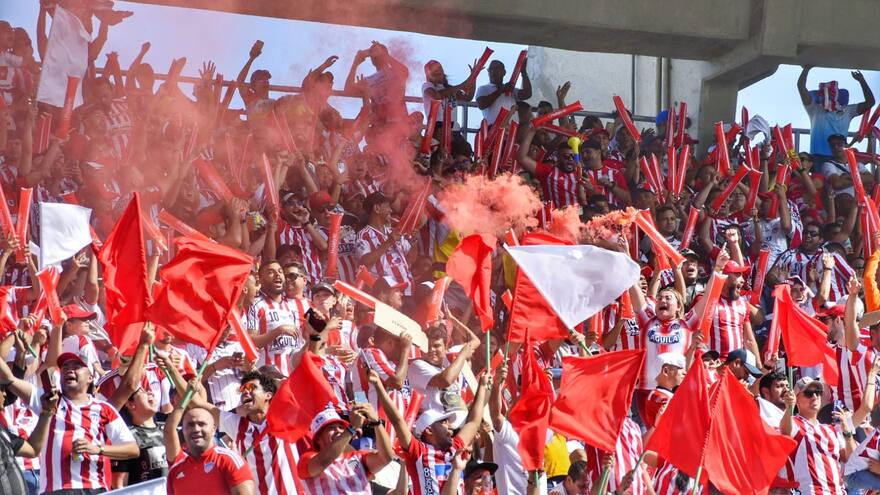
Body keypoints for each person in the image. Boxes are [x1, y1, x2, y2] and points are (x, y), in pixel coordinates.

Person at [373, 365, 490, 495]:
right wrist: (378, 386)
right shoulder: (418, 452)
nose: (450, 427)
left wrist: (483, 386)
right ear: (429, 430)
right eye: (444, 422)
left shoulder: (455, 449)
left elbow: (473, 422)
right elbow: (397, 421)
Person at [297, 405, 393, 494]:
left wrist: (376, 422)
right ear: (318, 439)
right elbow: (322, 462)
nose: (338, 431)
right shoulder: (307, 459)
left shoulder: (358, 456)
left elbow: (385, 458)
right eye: (331, 428)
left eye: (341, 427)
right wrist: (352, 428)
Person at [780, 377, 852, 495]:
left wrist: (847, 433)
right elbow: (785, 431)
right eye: (808, 393)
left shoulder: (830, 429)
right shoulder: (795, 423)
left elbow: (848, 458)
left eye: (817, 392)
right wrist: (789, 408)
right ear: (796, 399)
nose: (814, 396)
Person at [165, 405, 255, 495]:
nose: (196, 429)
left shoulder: (230, 461)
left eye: (201, 424)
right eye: (190, 425)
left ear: (213, 429)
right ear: (183, 430)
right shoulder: (175, 471)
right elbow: (168, 430)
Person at [798, 66, 874, 161]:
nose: (828, 96)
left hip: (840, 158)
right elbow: (801, 86)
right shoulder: (815, 109)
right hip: (817, 157)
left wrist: (861, 80)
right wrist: (806, 69)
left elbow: (870, 102)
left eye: (831, 93)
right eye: (825, 93)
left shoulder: (848, 110)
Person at [356, 192, 415, 295]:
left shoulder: (394, 232)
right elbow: (364, 262)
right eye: (387, 207)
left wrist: (414, 240)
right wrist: (388, 243)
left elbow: (412, 256)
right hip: (388, 296)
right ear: (377, 209)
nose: (391, 210)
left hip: (409, 291)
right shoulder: (364, 235)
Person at [475, 59, 532, 125]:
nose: (493, 72)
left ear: (504, 72)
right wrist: (501, 90)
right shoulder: (483, 88)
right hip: (493, 130)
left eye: (496, 69)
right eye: (490, 69)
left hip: (512, 130)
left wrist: (523, 72)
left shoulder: (510, 89)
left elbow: (527, 94)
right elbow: (482, 105)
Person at [643, 352, 686, 429]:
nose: (685, 372)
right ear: (665, 371)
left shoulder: (661, 394)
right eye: (680, 368)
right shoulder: (659, 397)